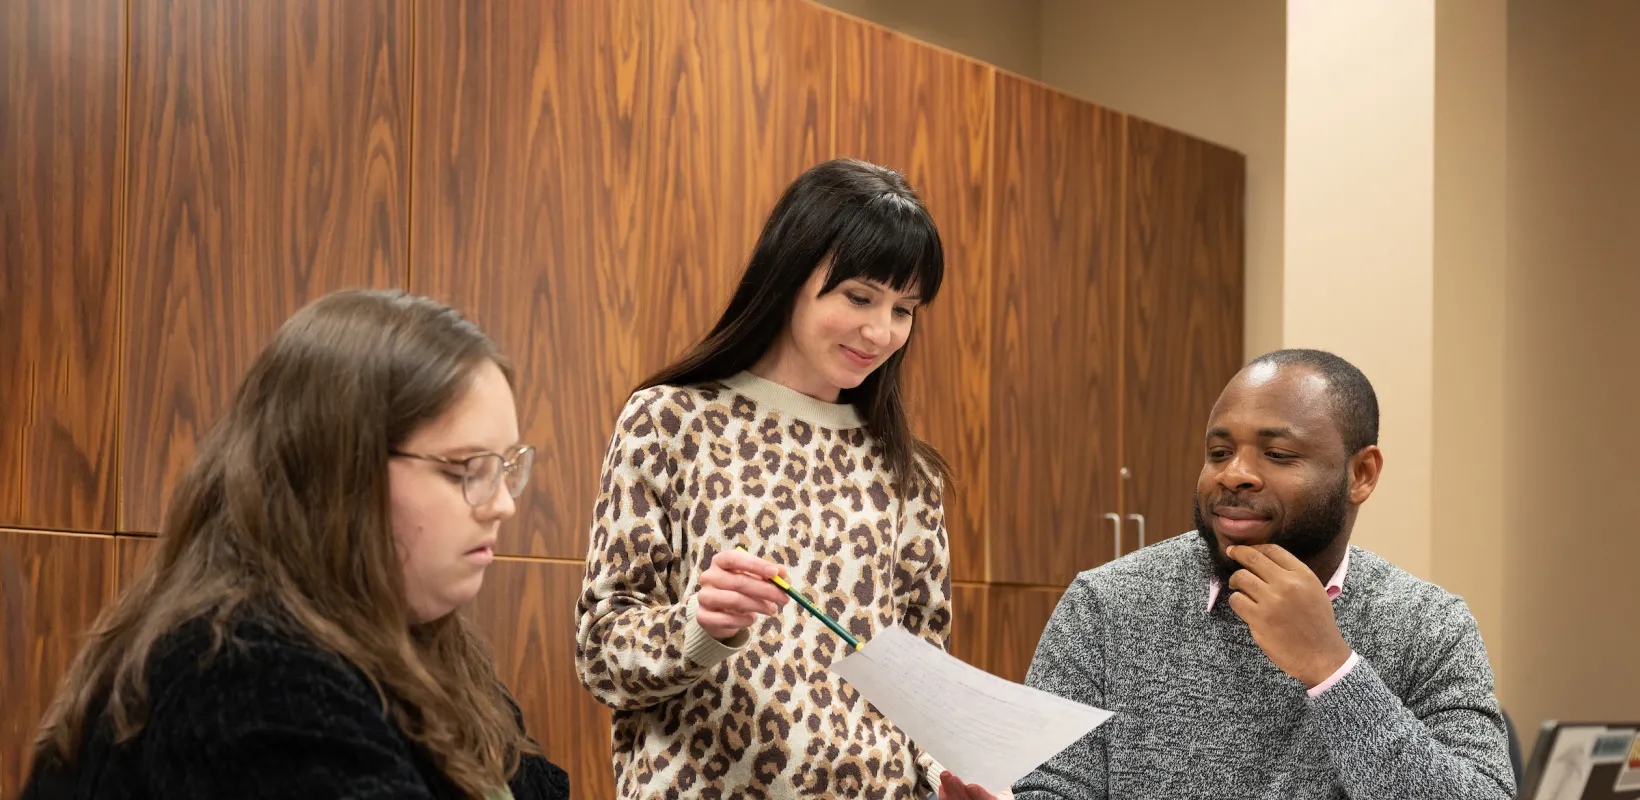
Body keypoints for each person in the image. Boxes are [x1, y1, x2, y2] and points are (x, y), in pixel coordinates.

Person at [21, 289, 570, 800]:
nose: (503, 504)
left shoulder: (434, 648)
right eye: (465, 469)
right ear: (339, 473)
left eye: (506, 467)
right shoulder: (242, 676)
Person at [576, 158, 989, 798]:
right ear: (791, 273)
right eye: (860, 297)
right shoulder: (669, 422)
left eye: (904, 310)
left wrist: (947, 777)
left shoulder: (911, 473)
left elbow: (921, 685)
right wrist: (699, 629)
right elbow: (602, 653)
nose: (881, 332)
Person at [1001, 349, 1513, 799]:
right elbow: (1048, 788)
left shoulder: (1429, 626)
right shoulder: (1106, 604)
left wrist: (1331, 668)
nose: (1234, 474)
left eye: (1278, 455)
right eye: (1219, 453)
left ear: (1361, 474)